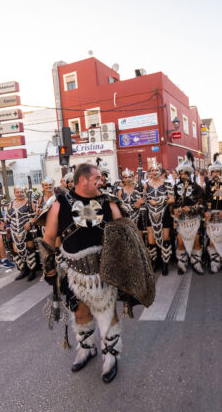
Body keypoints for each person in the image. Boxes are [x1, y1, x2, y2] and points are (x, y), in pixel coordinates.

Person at [40, 162, 135, 383]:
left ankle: (111, 356)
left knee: (107, 312)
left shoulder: (108, 201)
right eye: (96, 180)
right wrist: (49, 268)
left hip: (105, 269)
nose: (100, 182)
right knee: (80, 312)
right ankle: (87, 348)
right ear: (82, 180)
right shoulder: (59, 204)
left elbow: (124, 232)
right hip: (74, 272)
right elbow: (48, 237)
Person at [173, 153, 205, 275]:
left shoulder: (197, 188)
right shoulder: (175, 188)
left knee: (196, 241)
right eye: (181, 173)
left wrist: (191, 208)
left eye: (186, 173)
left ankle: (197, 264)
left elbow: (202, 204)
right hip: (181, 219)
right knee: (180, 242)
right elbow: (173, 203)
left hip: (194, 219)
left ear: (190, 174)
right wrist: (174, 210)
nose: (183, 175)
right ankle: (182, 264)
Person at [204, 154, 222, 274]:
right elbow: (204, 201)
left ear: (221, 172)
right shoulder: (208, 185)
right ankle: (214, 263)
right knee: (212, 240)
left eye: (218, 172)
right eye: (214, 172)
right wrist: (206, 211)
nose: (215, 174)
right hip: (211, 217)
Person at [144, 160, 175, 275]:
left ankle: (165, 264)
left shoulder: (167, 183)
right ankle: (154, 262)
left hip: (164, 213)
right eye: (152, 170)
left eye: (157, 170)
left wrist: (158, 201)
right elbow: (144, 199)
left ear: (160, 171)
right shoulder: (146, 184)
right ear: (150, 172)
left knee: (165, 238)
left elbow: (172, 199)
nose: (155, 172)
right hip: (150, 214)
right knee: (151, 239)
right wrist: (148, 201)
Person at [6, 187, 39, 281]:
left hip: (27, 229)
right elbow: (8, 217)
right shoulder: (11, 204)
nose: (20, 194)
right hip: (14, 230)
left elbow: (35, 214)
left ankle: (32, 271)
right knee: (15, 250)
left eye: (21, 192)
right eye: (17, 192)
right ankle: (23, 270)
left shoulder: (29, 201)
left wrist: (30, 222)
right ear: (14, 193)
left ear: (24, 192)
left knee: (29, 249)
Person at [117, 168, 145, 239]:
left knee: (139, 239)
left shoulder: (138, 189)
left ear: (132, 177)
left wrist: (137, 204)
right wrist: (134, 205)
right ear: (123, 179)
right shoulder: (120, 191)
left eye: (130, 177)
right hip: (126, 219)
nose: (128, 179)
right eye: (126, 177)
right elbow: (121, 206)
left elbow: (141, 202)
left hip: (138, 217)